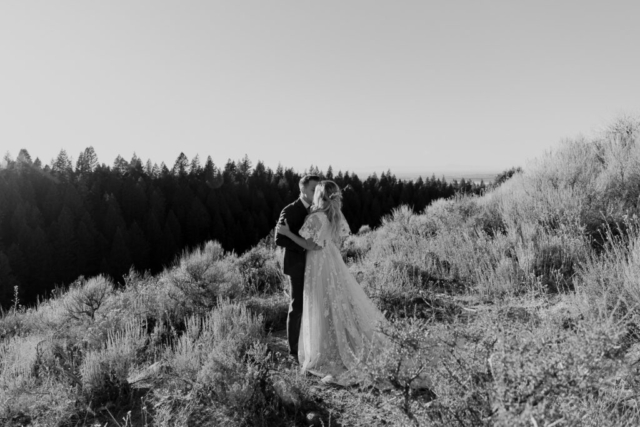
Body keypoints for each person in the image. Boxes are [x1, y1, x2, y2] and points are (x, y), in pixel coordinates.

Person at [277, 180, 399, 386]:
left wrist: (287, 233)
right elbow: (335, 240)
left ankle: (323, 345)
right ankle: (338, 339)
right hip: (331, 259)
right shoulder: (334, 215)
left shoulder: (316, 217)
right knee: (332, 299)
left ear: (319, 196)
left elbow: (309, 245)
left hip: (317, 262)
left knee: (319, 301)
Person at [275, 174, 321, 360]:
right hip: (297, 265)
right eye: (313, 189)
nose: (316, 193)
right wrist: (304, 246)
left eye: (318, 189)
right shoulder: (290, 210)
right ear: (302, 190)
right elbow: (279, 239)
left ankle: (310, 343)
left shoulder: (317, 209)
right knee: (298, 306)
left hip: (315, 264)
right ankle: (294, 350)